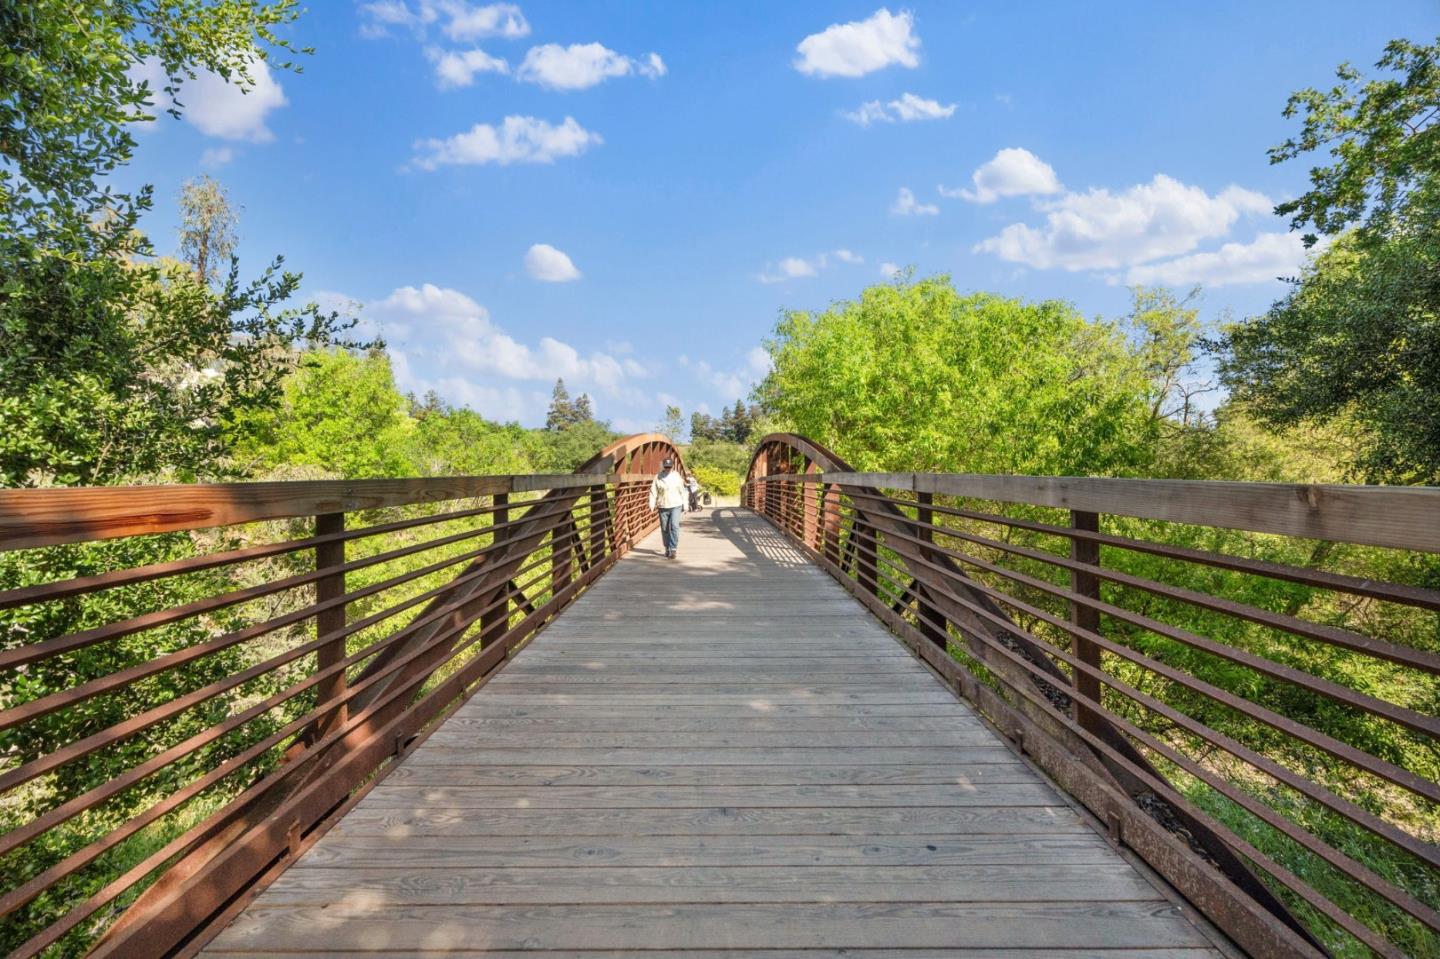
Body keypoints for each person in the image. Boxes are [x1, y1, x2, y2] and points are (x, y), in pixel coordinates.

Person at [648, 458, 686, 558]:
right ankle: (667, 548)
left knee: (674, 526)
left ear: (672, 466)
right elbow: (653, 492)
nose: (668, 468)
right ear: (663, 466)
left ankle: (673, 549)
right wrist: (651, 504)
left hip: (676, 504)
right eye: (666, 467)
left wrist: (685, 504)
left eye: (669, 467)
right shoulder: (658, 477)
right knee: (665, 528)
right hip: (663, 505)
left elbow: (683, 491)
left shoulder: (677, 476)